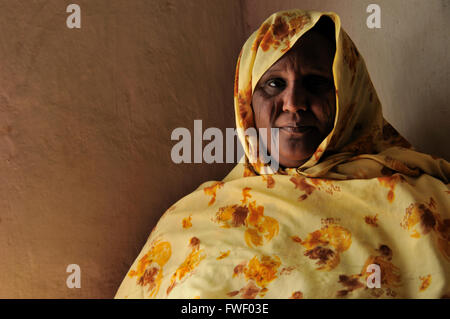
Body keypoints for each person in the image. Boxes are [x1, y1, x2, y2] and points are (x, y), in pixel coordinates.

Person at [115, 9, 449, 299]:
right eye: (274, 84)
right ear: (247, 102)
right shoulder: (194, 219)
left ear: (350, 96)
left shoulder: (424, 203)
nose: (293, 103)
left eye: (317, 83)